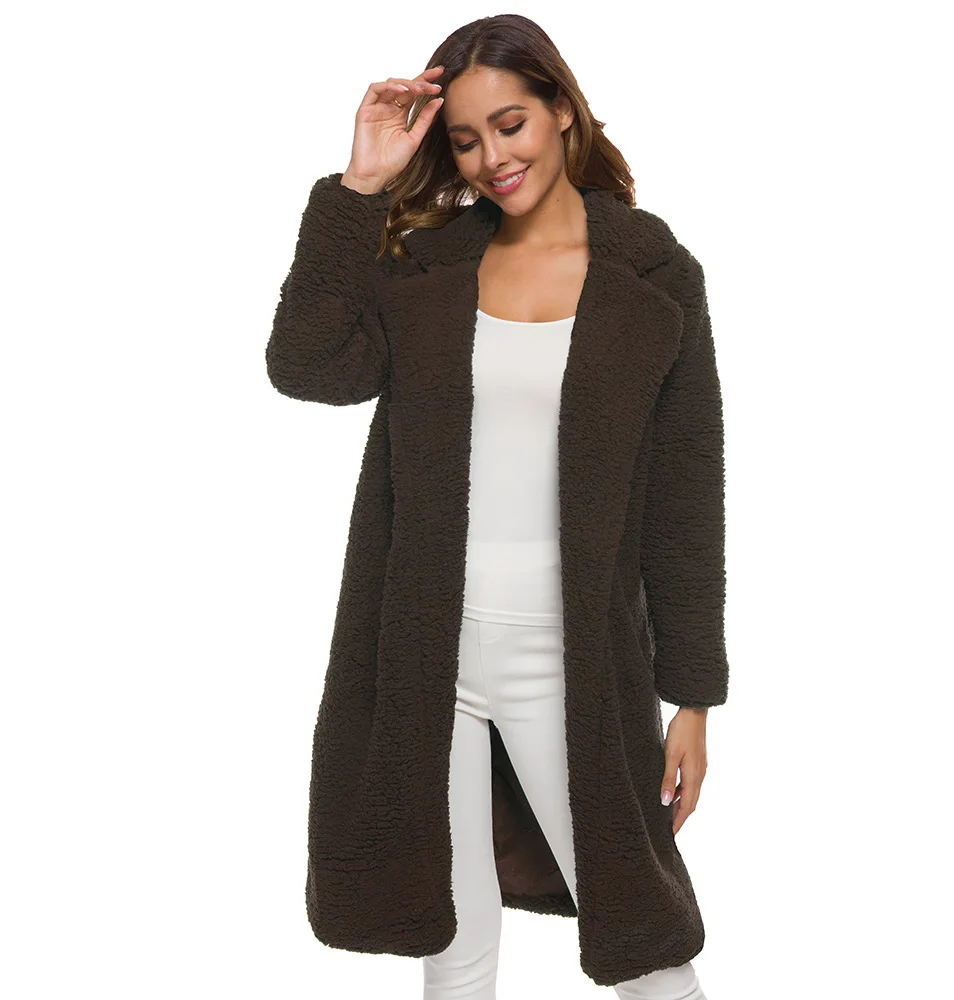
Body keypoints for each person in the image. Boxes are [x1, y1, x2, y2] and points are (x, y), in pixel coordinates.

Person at [266, 15, 728, 1000]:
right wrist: (359, 187)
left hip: (567, 659)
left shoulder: (654, 280)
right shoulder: (430, 267)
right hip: (422, 651)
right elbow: (307, 364)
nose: (492, 159)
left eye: (510, 124)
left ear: (561, 109)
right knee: (454, 946)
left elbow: (686, 497)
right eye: (467, 140)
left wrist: (692, 697)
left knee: (643, 942)